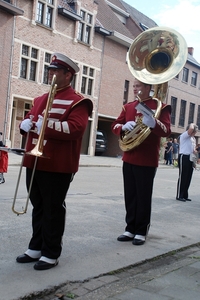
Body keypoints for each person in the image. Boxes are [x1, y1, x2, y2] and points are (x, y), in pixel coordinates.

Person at [16, 53, 93, 270]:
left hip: (58, 164)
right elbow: (32, 118)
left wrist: (45, 127)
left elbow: (75, 129)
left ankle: (51, 252)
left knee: (53, 208)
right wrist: (26, 126)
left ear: (68, 74)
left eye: (55, 70)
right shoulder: (40, 99)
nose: (50, 73)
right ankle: (36, 246)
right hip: (34, 161)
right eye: (50, 69)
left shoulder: (79, 101)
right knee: (38, 205)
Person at [111, 79, 171, 246]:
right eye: (134, 86)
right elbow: (115, 125)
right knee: (130, 195)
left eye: (138, 86)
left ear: (147, 87)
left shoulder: (161, 106)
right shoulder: (128, 107)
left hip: (147, 159)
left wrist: (153, 123)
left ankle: (141, 231)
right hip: (129, 156)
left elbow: (166, 130)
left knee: (143, 196)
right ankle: (130, 228)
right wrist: (123, 127)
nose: (135, 89)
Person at [176, 123, 198, 202]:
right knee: (183, 176)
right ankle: (179, 195)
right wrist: (192, 124)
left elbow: (193, 150)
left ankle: (185, 195)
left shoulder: (193, 139)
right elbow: (191, 129)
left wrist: (194, 161)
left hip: (190, 158)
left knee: (188, 177)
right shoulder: (185, 135)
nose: (195, 132)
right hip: (184, 157)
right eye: (194, 131)